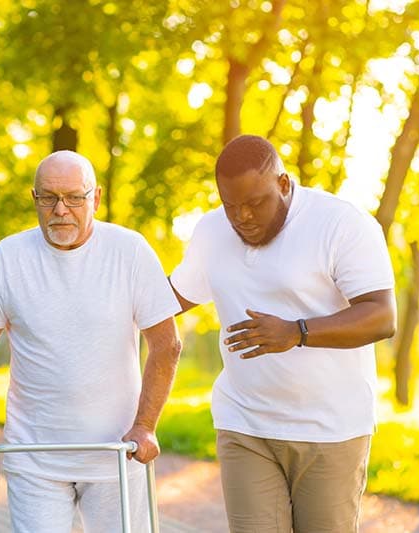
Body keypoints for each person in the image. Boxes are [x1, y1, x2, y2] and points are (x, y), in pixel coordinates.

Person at [169, 135, 397, 533]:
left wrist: (298, 332)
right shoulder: (210, 231)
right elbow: (168, 298)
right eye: (230, 206)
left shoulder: (341, 223)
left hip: (329, 430)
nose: (242, 217)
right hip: (245, 424)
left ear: (284, 184)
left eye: (255, 203)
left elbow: (381, 315)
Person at [0, 150, 182, 533]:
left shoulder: (129, 251)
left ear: (95, 198)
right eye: (48, 197)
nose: (60, 209)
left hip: (117, 456)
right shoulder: (8, 258)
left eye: (74, 198)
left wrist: (145, 426)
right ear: (34, 199)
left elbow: (166, 345)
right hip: (35, 457)